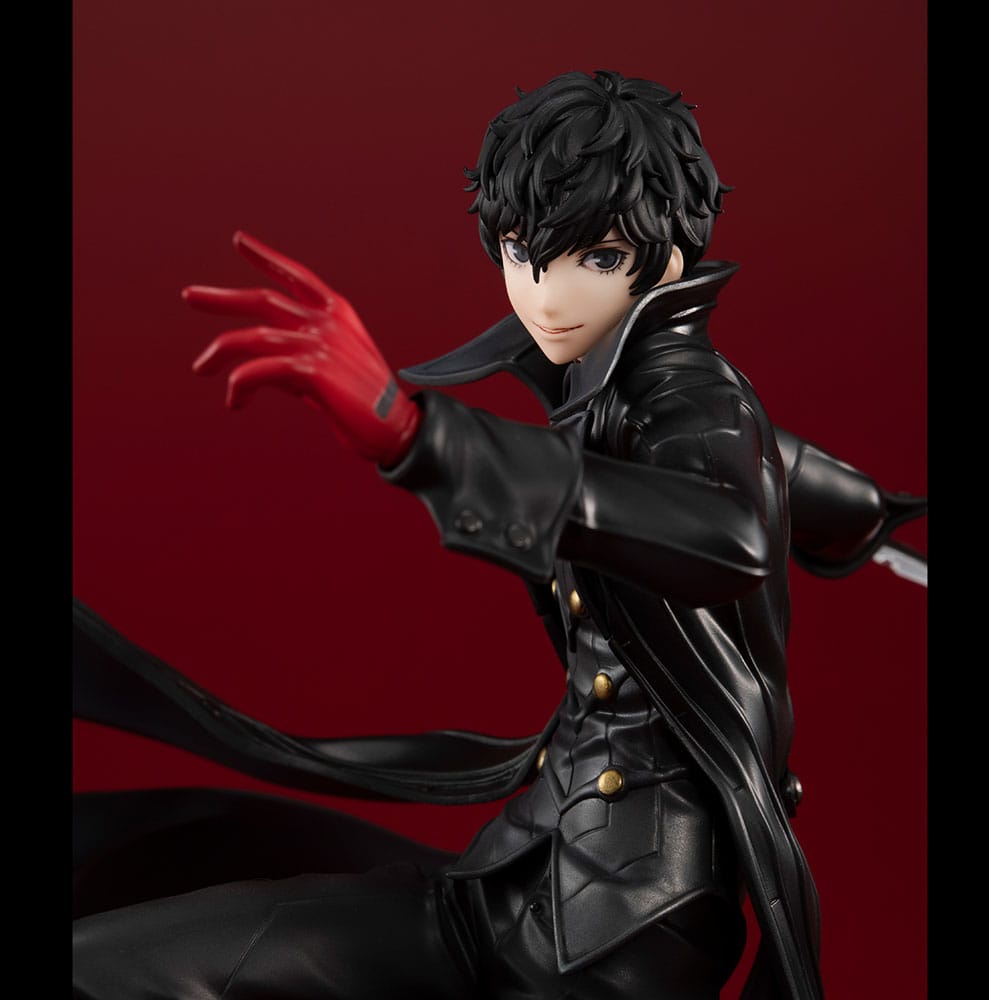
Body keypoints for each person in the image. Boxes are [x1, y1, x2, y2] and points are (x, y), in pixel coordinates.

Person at [73, 69, 925, 1000]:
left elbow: (733, 531)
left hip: (624, 931)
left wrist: (418, 436)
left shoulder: (696, 405)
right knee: (148, 942)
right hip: (527, 878)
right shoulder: (624, 385)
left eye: (597, 257)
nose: (545, 297)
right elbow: (784, 468)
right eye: (522, 252)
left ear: (670, 260)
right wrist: (871, 520)